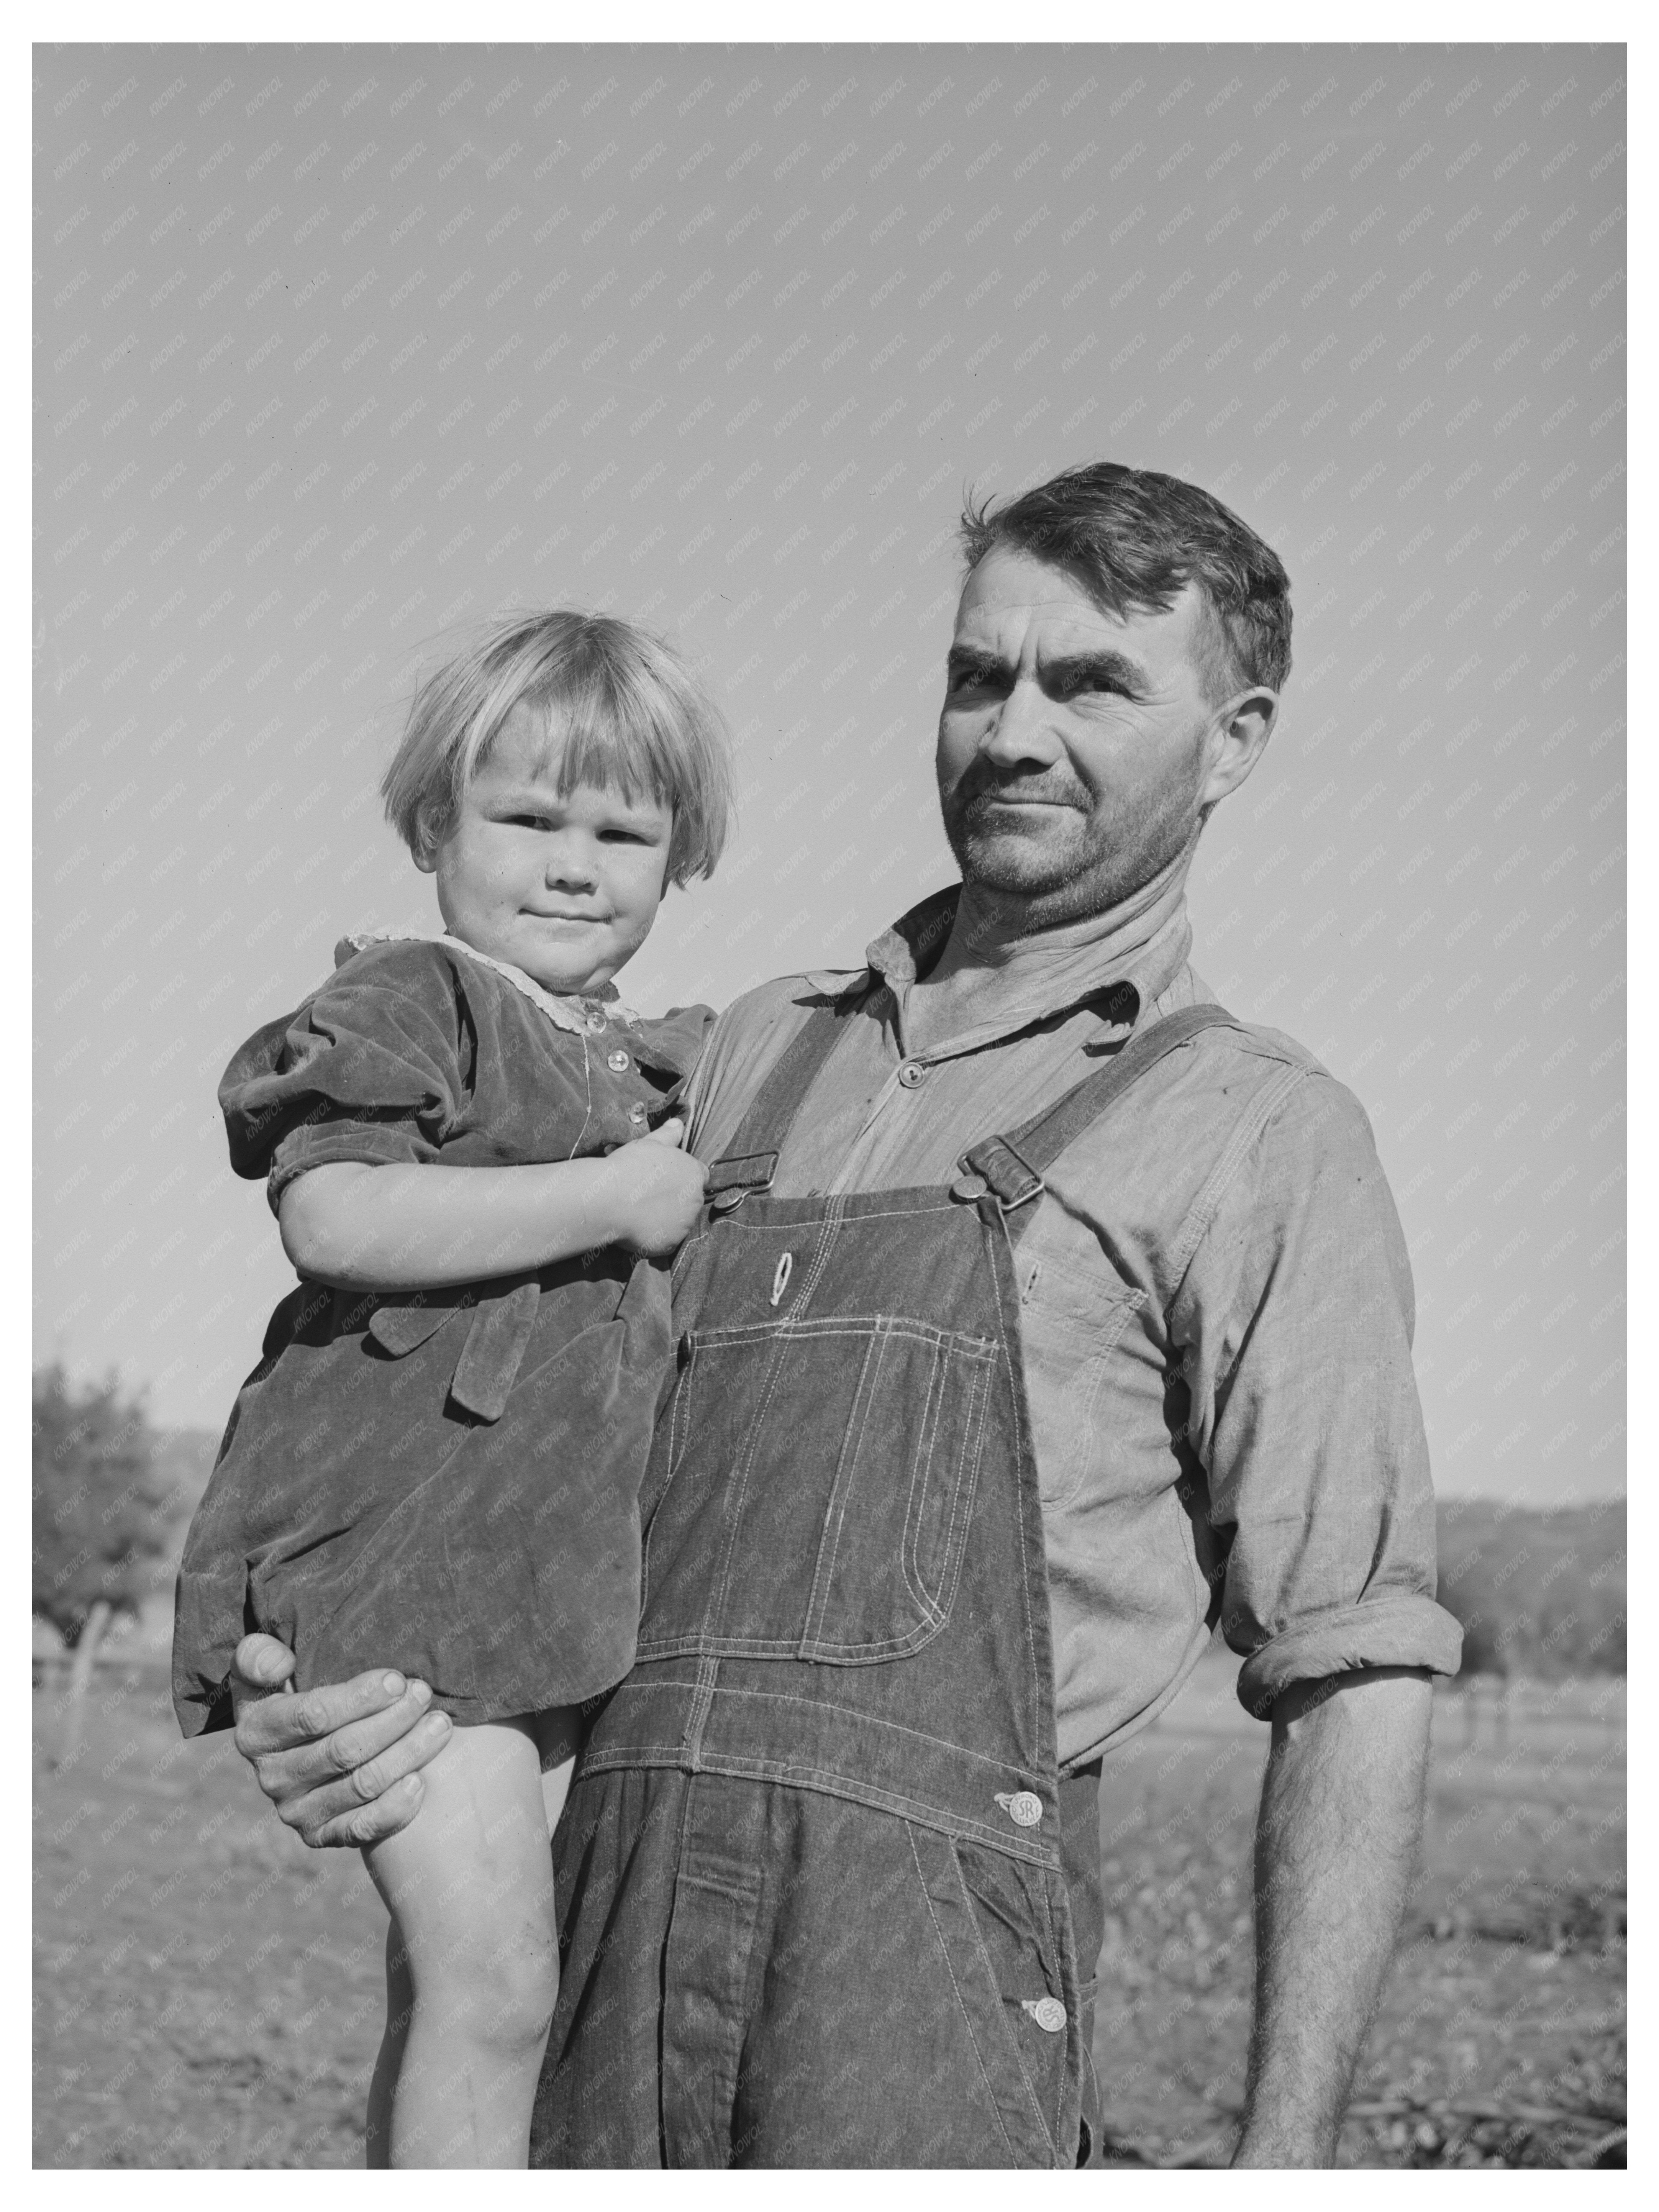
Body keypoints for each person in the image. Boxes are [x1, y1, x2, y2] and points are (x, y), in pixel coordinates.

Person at [227, 463, 1463, 2169]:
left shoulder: (1259, 1132)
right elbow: (462, 1407)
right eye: (978, 675)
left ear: (1234, 739)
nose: (1013, 732)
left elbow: (1358, 1662)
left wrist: (1286, 2165)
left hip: (917, 2000)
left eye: (1092, 684)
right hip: (601, 1937)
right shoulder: (729, 1057)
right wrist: (342, 1690)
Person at [173, 610, 729, 2166]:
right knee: (498, 1990)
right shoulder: (420, 997)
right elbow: (335, 1213)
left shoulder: (648, 1060)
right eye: (528, 818)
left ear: (681, 858)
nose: (573, 865)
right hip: (403, 1563)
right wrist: (617, 1197)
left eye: (622, 833)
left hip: (537, 1592)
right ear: (434, 825)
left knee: (455, 1984)